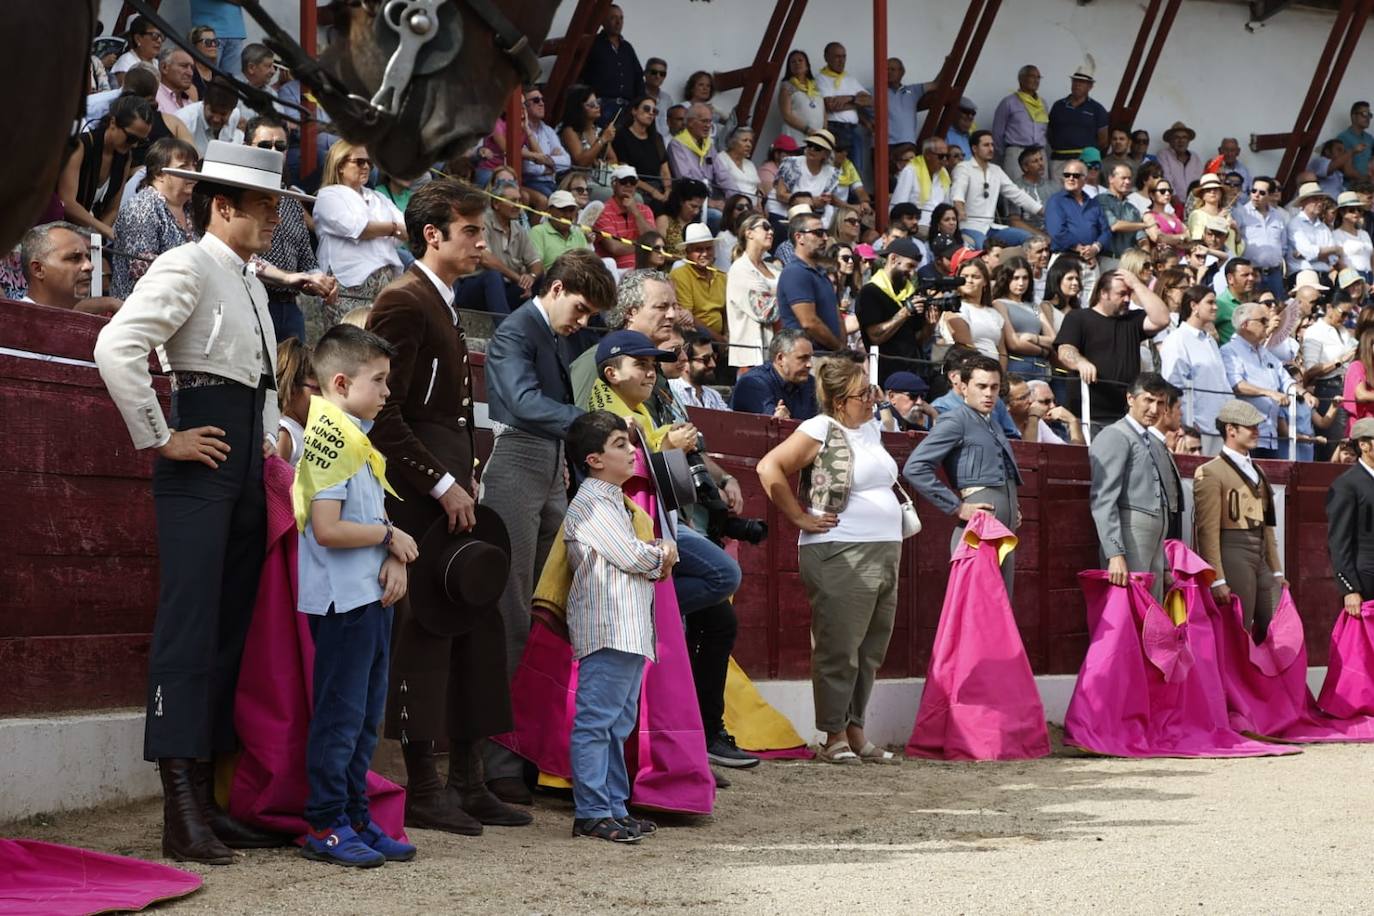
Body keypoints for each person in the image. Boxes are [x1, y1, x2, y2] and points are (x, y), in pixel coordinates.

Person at [92, 139, 306, 863]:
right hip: (201, 460)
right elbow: (117, 346)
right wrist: (162, 438)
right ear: (223, 206)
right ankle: (178, 808)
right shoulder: (187, 262)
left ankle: (210, 801)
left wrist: (273, 437)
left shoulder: (246, 276)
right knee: (189, 628)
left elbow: (260, 377)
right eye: (266, 206)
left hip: (244, 461)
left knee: (228, 629)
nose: (276, 219)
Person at [362, 181, 534, 832]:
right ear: (432, 234)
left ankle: (467, 779)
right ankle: (426, 788)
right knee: (425, 632)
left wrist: (462, 477)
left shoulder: (440, 301)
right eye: (471, 232)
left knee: (471, 627)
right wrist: (440, 482)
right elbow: (383, 415)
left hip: (450, 490)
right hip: (417, 497)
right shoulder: (403, 302)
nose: (483, 244)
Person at [480, 250, 618, 804]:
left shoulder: (550, 334)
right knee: (512, 610)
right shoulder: (518, 331)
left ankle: (531, 751)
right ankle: (499, 761)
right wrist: (587, 426)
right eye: (581, 309)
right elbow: (519, 402)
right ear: (556, 288)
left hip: (547, 465)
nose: (581, 322)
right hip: (515, 460)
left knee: (547, 608)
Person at [292, 324, 417, 867]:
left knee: (365, 716)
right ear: (341, 383)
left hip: (367, 595)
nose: (388, 392)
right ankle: (325, 822)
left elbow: (365, 516)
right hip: (343, 602)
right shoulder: (331, 439)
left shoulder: (353, 435)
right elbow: (328, 528)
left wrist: (391, 554)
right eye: (380, 381)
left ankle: (356, 815)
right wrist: (390, 538)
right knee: (342, 717)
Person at [757, 353, 902, 766]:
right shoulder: (820, 427)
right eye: (864, 394)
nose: (872, 400)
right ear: (840, 401)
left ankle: (855, 731)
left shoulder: (871, 429)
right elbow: (770, 467)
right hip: (839, 549)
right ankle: (833, 734)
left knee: (871, 647)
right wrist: (799, 517)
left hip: (884, 547)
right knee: (839, 645)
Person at [562, 411, 676, 843]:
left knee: (616, 723)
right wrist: (661, 553)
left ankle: (611, 806)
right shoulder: (592, 501)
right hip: (608, 626)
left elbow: (632, 554)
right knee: (598, 722)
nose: (632, 451)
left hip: (624, 627)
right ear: (593, 459)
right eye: (620, 445)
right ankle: (592, 810)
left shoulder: (608, 499)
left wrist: (652, 553)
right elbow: (632, 558)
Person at [905, 355, 1022, 594]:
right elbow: (915, 467)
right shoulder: (954, 420)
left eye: (994, 387)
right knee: (980, 610)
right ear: (964, 387)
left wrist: (1012, 506)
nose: (989, 393)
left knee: (1000, 609)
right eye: (981, 386)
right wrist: (957, 507)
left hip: (1002, 533)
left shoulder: (993, 423)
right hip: (978, 535)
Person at [1193, 399, 1285, 643]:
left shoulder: (1258, 472)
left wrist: (1276, 569)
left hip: (1259, 552)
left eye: (1256, 426)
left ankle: (1259, 680)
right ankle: (1231, 682)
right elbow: (1207, 531)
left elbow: (1268, 528)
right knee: (1238, 629)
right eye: (1250, 426)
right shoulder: (1211, 471)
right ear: (1230, 430)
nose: (1257, 431)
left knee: (1279, 624)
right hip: (1233, 552)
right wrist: (1218, 578)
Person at [1088, 373, 1178, 603]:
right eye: (1148, 400)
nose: (1154, 409)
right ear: (1130, 399)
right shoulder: (1115, 435)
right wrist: (1115, 553)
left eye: (1160, 403)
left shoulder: (1154, 442)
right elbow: (1103, 499)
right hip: (1130, 536)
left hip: (1154, 540)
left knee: (1150, 612)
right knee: (1130, 607)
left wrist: (1165, 565)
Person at [1054, 269, 1172, 430]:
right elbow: (1065, 350)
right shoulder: (1078, 317)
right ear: (1104, 293)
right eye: (1121, 294)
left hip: (1125, 416)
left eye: (1129, 294)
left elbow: (1163, 318)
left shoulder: (1132, 320)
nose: (1127, 299)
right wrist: (1080, 363)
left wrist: (1137, 284)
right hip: (1088, 415)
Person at [314, 141, 406, 323]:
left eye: (369, 163)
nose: (366, 167)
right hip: (349, 287)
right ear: (340, 165)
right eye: (359, 162)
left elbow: (407, 230)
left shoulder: (378, 197)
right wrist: (392, 228)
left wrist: (385, 229)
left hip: (384, 287)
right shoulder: (328, 195)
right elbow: (358, 228)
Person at [111, 137, 200, 298]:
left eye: (194, 166)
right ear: (160, 173)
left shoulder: (191, 208)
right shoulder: (143, 206)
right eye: (184, 167)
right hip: (142, 304)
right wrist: (196, 270)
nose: (194, 173)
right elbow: (141, 266)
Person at [59, 95, 156, 239]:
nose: (134, 145)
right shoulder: (81, 146)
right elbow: (67, 203)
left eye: (141, 141)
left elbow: (113, 208)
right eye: (131, 138)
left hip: (89, 235)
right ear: (113, 123)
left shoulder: (125, 157)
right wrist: (102, 229)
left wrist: (97, 237)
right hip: (59, 228)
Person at [1158, 286, 1231, 455]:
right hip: (1195, 430)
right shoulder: (1176, 340)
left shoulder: (1210, 341)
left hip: (1219, 427)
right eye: (1210, 302)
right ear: (1194, 306)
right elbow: (1173, 385)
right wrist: (1186, 425)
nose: (1216, 307)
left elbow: (1221, 382)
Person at [456, 181, 543, 316]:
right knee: (492, 276)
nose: (518, 205)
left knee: (541, 279)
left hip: (505, 289)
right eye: (513, 201)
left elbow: (536, 262)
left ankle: (542, 328)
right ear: (496, 204)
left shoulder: (518, 229)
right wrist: (518, 278)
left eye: (519, 200)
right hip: (473, 289)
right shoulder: (483, 222)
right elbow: (485, 259)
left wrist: (531, 277)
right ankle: (504, 330)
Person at [1221, 301, 1291, 459]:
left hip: (1270, 434)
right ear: (1245, 324)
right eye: (1263, 321)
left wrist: (1304, 393)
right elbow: (1237, 385)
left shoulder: (1265, 352)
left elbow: (1285, 378)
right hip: (1246, 436)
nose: (1267, 325)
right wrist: (1270, 393)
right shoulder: (1229, 351)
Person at [951, 130, 1042, 247]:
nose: (991, 149)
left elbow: (1017, 194)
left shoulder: (996, 170)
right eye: (986, 145)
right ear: (974, 148)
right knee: (985, 248)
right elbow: (958, 193)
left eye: (992, 145)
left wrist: (1041, 210)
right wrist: (960, 210)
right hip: (969, 228)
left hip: (992, 228)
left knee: (1029, 240)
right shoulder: (963, 168)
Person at [857, 237, 929, 380]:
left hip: (913, 372)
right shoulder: (870, 292)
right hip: (886, 375)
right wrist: (905, 312)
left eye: (915, 268)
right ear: (893, 259)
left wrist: (931, 322)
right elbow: (875, 337)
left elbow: (918, 339)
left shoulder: (911, 294)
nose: (913, 273)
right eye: (910, 266)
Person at [17, 221, 120, 315]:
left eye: (88, 257)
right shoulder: (11, 324)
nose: (89, 266)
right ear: (38, 269)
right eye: (74, 258)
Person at [1326, 417, 1374, 618]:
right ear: (1363, 445)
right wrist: (1350, 588)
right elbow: (1339, 541)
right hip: (1367, 578)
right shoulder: (1346, 484)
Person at [776, 211, 844, 351]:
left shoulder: (822, 273)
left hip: (830, 356)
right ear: (799, 237)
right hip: (808, 358)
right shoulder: (795, 272)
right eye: (818, 232)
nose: (825, 238)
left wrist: (843, 348)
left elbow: (837, 315)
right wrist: (839, 348)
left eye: (825, 232)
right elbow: (809, 322)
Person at [1044, 159, 1110, 301]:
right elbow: (1056, 232)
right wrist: (1083, 250)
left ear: (1084, 179)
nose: (1071, 178)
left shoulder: (1093, 203)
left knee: (1091, 304)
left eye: (1075, 175)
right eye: (1067, 175)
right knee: (1060, 303)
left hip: (1090, 262)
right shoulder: (1056, 201)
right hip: (1065, 259)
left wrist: (1095, 248)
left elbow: (1106, 231)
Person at [1302, 292, 1358, 459]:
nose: (1346, 318)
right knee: (1335, 444)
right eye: (1343, 313)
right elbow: (1310, 370)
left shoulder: (1343, 331)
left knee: (1348, 443)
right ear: (1329, 308)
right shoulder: (1315, 331)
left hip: (1348, 387)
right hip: (1329, 389)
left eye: (1350, 314)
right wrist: (1339, 361)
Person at [725, 213, 780, 372]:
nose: (771, 232)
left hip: (775, 352)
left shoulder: (774, 269)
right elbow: (766, 311)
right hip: (752, 358)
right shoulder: (740, 269)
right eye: (765, 227)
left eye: (771, 229)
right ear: (748, 233)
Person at [730, 328, 817, 420]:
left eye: (810, 358)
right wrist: (780, 417)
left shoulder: (810, 383)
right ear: (780, 358)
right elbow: (773, 424)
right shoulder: (753, 383)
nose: (809, 365)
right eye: (802, 358)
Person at [817, 42, 873, 185]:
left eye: (843, 56)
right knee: (835, 169)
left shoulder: (850, 79)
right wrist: (856, 103)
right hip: (834, 129)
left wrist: (849, 98)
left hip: (853, 130)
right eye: (837, 57)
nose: (841, 60)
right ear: (826, 57)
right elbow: (830, 105)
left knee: (856, 169)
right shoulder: (820, 78)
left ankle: (855, 204)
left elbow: (870, 101)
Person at [579, 4, 643, 127]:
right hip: (602, 107)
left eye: (621, 18)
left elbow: (638, 77)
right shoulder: (592, 44)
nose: (618, 22)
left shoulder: (627, 47)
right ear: (603, 21)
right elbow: (581, 75)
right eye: (613, 18)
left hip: (627, 108)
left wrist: (640, 105)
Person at [1046, 58, 1108, 179]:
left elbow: (1103, 140)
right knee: (1057, 194)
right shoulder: (1058, 105)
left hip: (1084, 162)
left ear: (1090, 86)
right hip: (1059, 160)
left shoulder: (1097, 109)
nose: (1077, 84)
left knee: (1081, 194)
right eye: (1075, 81)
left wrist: (1087, 154)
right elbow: (1049, 131)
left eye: (1082, 82)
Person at [992, 256, 1053, 378]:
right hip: (1017, 368)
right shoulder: (999, 304)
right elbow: (1014, 344)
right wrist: (1043, 351)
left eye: (1025, 278)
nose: (1021, 283)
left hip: (1042, 369)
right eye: (1015, 278)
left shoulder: (1034, 306)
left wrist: (1031, 338)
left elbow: (1054, 339)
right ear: (1006, 279)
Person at [768, 130, 840, 229]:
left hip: (808, 218)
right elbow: (780, 195)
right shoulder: (791, 163)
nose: (812, 149)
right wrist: (809, 200)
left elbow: (825, 201)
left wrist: (821, 201)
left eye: (817, 148)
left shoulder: (832, 174)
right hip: (781, 212)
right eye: (810, 145)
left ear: (826, 154)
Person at [1232, 175, 1288, 300]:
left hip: (1274, 274)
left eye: (1262, 192)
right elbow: (1235, 242)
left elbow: (1283, 245)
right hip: (1251, 274)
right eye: (1253, 191)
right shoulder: (1241, 212)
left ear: (1271, 195)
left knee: (1278, 309)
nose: (1256, 195)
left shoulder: (1278, 216)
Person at [612, 93, 672, 210]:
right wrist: (653, 192)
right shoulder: (621, 135)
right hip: (634, 186)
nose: (650, 113)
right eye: (646, 109)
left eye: (654, 111)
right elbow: (626, 171)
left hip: (659, 187)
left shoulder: (657, 138)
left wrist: (668, 191)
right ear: (634, 111)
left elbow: (665, 170)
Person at [670, 223, 727, 341]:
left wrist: (727, 336)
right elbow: (689, 318)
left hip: (721, 340)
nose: (705, 254)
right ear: (687, 252)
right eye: (699, 250)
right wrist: (720, 340)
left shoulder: (721, 276)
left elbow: (726, 313)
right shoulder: (680, 275)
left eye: (708, 248)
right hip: (694, 339)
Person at [992, 65, 1048, 182]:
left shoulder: (1042, 104)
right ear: (1021, 79)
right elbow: (997, 132)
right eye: (1032, 76)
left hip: (1038, 153)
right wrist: (1008, 153)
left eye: (1038, 77)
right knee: (1015, 191)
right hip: (1017, 152)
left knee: (1041, 191)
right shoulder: (1009, 102)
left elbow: (1045, 129)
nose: (1036, 80)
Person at [594, 164, 657, 269]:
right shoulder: (602, 211)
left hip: (645, 268)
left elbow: (654, 241)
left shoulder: (644, 210)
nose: (628, 185)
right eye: (623, 181)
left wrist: (636, 212)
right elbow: (614, 247)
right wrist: (644, 246)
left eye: (632, 182)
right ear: (614, 184)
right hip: (616, 271)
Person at [892, 137, 952, 236]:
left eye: (947, 156)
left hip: (939, 227)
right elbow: (898, 206)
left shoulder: (944, 173)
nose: (945, 160)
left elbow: (947, 206)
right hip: (917, 226)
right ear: (928, 155)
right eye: (941, 156)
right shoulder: (911, 170)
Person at [519, 87, 572, 200]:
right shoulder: (520, 131)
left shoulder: (548, 130)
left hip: (551, 182)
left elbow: (567, 161)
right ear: (524, 107)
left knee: (572, 199)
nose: (542, 103)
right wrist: (549, 165)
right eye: (536, 100)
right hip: (530, 183)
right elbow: (527, 168)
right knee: (555, 201)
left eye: (542, 100)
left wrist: (547, 163)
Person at [1287, 181, 1345, 276]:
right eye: (1315, 199)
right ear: (1303, 202)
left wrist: (1315, 254)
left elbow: (1333, 259)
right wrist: (1333, 249)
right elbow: (1308, 252)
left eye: (1321, 199)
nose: (1320, 203)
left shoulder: (1323, 228)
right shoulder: (1295, 224)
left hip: (1324, 274)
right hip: (1303, 274)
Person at [173, 80, 245, 155]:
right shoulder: (184, 121)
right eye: (213, 111)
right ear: (204, 102)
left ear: (232, 110)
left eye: (223, 114)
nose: (216, 119)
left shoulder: (235, 115)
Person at [273, 337, 313, 466]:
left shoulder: (302, 429)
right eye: (318, 389)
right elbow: (274, 479)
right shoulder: (284, 433)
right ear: (293, 388)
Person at [530, 190, 592, 267]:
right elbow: (536, 266)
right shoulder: (538, 232)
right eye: (562, 210)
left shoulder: (578, 234)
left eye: (571, 210)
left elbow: (587, 265)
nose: (567, 215)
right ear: (549, 211)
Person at [670, 331, 729, 410]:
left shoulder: (714, 396)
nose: (713, 364)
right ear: (686, 361)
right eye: (706, 359)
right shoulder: (671, 391)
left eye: (714, 357)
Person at [778, 49, 826, 144]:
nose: (797, 63)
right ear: (789, 67)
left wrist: (824, 132)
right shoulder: (786, 87)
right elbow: (786, 115)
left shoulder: (815, 86)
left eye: (800, 60)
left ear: (807, 66)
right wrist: (807, 130)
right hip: (796, 139)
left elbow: (823, 112)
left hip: (817, 139)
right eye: (793, 62)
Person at [655, 177, 708, 257]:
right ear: (680, 201)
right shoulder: (664, 221)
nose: (696, 211)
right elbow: (657, 253)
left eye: (699, 208)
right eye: (693, 206)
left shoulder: (698, 226)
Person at [1024, 378, 1085, 444]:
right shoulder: (1023, 422)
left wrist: (1073, 421)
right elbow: (1028, 449)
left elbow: (1075, 453)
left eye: (1054, 401)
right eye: (1046, 402)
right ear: (1029, 402)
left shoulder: (1047, 425)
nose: (1053, 406)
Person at [111, 16, 163, 86]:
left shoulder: (158, 64)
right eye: (154, 35)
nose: (159, 40)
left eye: (161, 36)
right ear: (138, 39)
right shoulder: (126, 62)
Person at [1157, 122, 1203, 199]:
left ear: (1188, 141)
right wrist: (1175, 200)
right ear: (1170, 141)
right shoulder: (1163, 155)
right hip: (1171, 202)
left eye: (1184, 137)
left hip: (1194, 201)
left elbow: (1199, 180)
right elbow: (1166, 179)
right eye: (1176, 137)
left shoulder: (1195, 157)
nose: (1181, 141)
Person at [1336, 101, 1374, 189]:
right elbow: (1345, 169)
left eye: (1370, 115)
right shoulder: (1343, 138)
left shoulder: (1369, 138)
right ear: (1353, 116)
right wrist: (1365, 179)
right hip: (1352, 187)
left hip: (1369, 186)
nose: (1368, 118)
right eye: (1364, 114)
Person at [155, 47, 196, 114]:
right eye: (184, 66)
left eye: (192, 68)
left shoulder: (190, 103)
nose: (190, 73)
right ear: (164, 67)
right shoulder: (154, 98)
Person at [643, 58, 674, 140]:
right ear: (645, 73)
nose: (658, 76)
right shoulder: (636, 94)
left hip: (663, 143)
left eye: (662, 74)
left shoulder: (667, 99)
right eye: (654, 72)